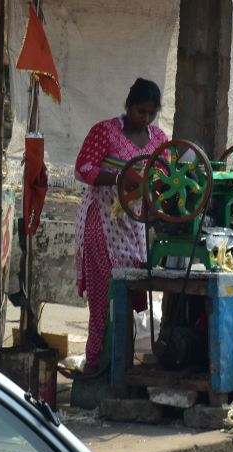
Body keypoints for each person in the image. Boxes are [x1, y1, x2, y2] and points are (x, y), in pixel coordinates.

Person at [74, 78, 169, 374]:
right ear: (128, 106)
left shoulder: (159, 140)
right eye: (140, 111)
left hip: (134, 226)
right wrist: (120, 178)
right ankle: (96, 365)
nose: (145, 118)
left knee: (129, 294)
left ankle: (121, 364)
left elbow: (164, 175)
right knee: (104, 297)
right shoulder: (105, 132)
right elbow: (83, 168)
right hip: (102, 222)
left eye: (151, 113)